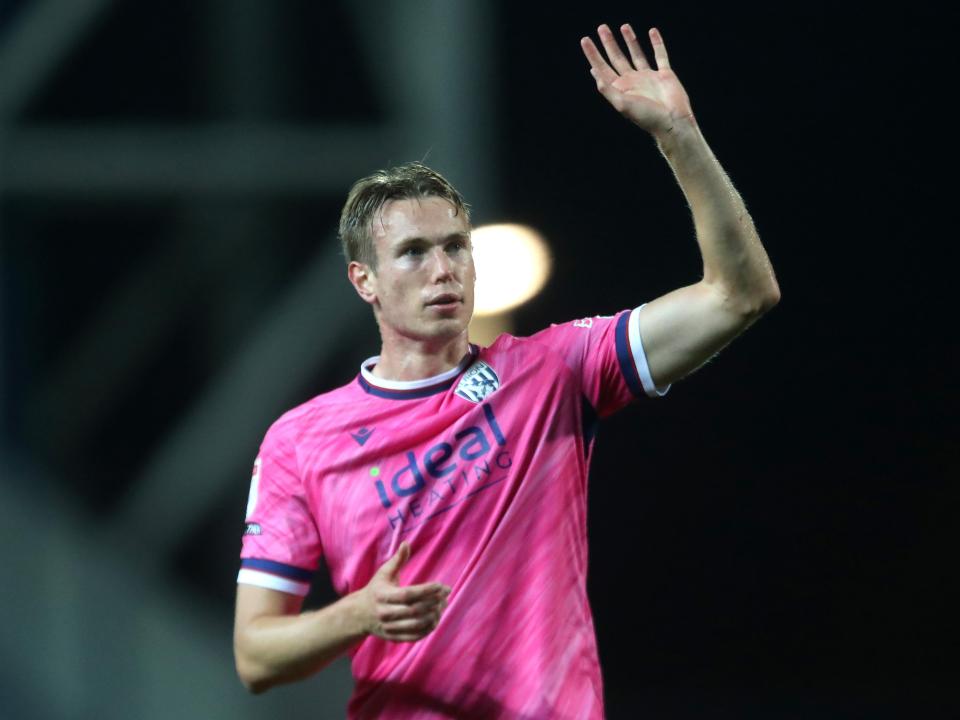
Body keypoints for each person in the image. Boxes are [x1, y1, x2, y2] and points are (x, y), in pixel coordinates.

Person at [233, 22, 779, 719]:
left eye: (456, 246)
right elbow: (255, 656)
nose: (443, 270)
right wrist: (357, 614)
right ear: (363, 280)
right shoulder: (301, 441)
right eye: (413, 253)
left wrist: (679, 135)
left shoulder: (554, 373)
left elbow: (741, 295)